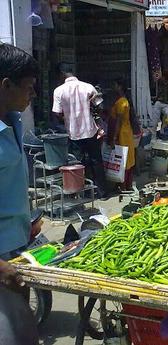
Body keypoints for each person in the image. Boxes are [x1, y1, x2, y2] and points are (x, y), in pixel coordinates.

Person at [0, 43, 39, 345]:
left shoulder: (12, 123)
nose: (32, 95)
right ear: (6, 85)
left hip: (15, 251)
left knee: (23, 332)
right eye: (28, 87)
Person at [52, 62, 108, 199]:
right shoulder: (88, 87)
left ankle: (78, 193)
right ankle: (101, 192)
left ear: (61, 74)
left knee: (77, 163)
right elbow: (101, 106)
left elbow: (57, 113)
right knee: (96, 161)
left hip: (73, 133)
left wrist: (67, 117)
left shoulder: (59, 91)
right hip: (90, 131)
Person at [110, 78, 135, 191]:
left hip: (122, 133)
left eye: (115, 84)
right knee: (127, 158)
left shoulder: (121, 102)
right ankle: (125, 184)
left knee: (122, 158)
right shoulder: (124, 101)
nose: (113, 87)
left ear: (119, 86)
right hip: (126, 132)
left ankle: (123, 185)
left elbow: (118, 121)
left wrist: (114, 137)